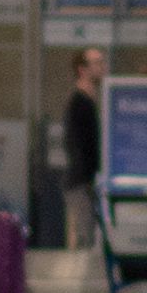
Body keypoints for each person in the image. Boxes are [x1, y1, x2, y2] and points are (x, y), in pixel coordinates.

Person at [58, 47, 103, 250]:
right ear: (82, 69)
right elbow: (75, 143)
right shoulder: (78, 103)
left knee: (92, 234)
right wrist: (86, 177)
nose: (103, 67)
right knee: (85, 235)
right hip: (81, 181)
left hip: (91, 179)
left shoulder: (94, 102)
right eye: (97, 63)